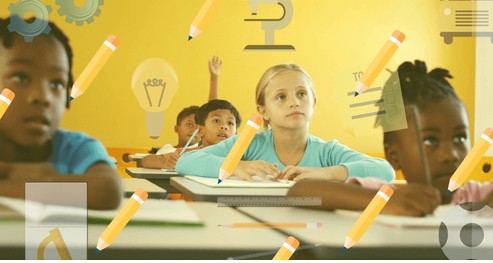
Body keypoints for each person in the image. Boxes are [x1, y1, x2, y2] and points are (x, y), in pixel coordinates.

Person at [288, 60, 493, 216]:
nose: (450, 155)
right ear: (394, 155)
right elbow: (300, 192)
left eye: (459, 138)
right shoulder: (385, 194)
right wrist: (385, 203)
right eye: (430, 141)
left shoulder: (478, 198)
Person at [176, 63, 395, 183]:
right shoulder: (249, 145)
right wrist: (235, 165)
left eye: (301, 94)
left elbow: (385, 170)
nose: (294, 102)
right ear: (264, 111)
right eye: (281, 97)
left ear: (313, 103)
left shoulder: (328, 152)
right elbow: (186, 162)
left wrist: (326, 173)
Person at [0, 17, 123, 210]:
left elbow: (106, 191)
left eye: (57, 83)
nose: (43, 97)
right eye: (20, 77)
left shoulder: (76, 149)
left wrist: (30, 176)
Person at [148, 56, 223, 156]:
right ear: (176, 129)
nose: (193, 130)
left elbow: (212, 112)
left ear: (203, 130)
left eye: (197, 127)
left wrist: (214, 78)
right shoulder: (166, 150)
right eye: (189, 124)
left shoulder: (202, 151)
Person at [141, 99, 241, 169]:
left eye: (230, 123)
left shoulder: (242, 156)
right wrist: (165, 163)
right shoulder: (189, 155)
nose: (224, 126)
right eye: (216, 121)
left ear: (236, 133)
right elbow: (146, 160)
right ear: (201, 130)